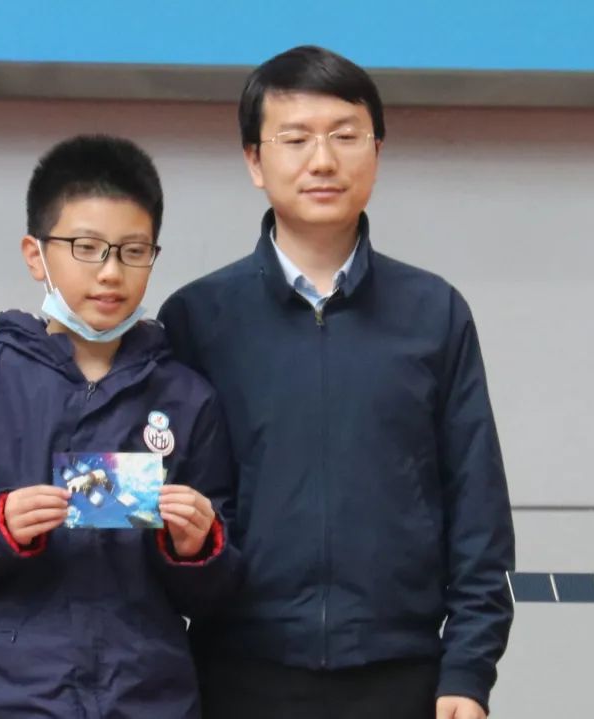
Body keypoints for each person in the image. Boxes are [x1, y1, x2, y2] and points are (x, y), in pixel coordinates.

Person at [158, 46, 514, 719]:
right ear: (254, 161)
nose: (322, 161)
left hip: (403, 675)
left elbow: (478, 508)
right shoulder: (198, 318)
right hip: (238, 673)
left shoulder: (434, 313)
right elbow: (178, 506)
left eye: (345, 136)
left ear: (376, 150)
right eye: (295, 139)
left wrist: (468, 669)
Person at [0, 135, 240, 718]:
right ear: (36, 254)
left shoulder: (187, 399)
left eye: (133, 250)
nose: (110, 272)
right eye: (86, 247)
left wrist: (197, 546)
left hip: (144, 699)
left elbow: (221, 588)